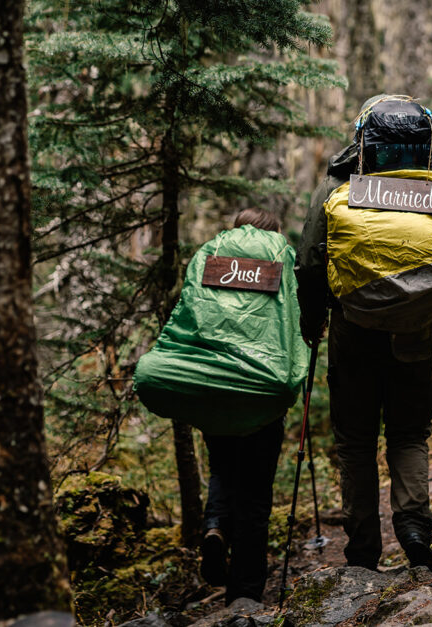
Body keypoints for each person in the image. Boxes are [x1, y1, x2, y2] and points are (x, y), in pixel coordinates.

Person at [295, 96, 432, 574]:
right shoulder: (431, 187)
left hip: (354, 331)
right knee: (408, 432)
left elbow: (309, 261)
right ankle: (413, 528)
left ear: (364, 140)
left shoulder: (339, 187)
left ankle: (363, 550)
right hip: (415, 333)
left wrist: (311, 322)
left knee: (356, 442)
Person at [133, 207, 308, 604]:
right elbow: (299, 314)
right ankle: (244, 594)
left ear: (237, 226)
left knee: (223, 466)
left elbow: (187, 316)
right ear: (274, 230)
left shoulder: (209, 254)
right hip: (261, 389)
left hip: (212, 383)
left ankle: (214, 526)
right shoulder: (283, 255)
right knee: (256, 495)